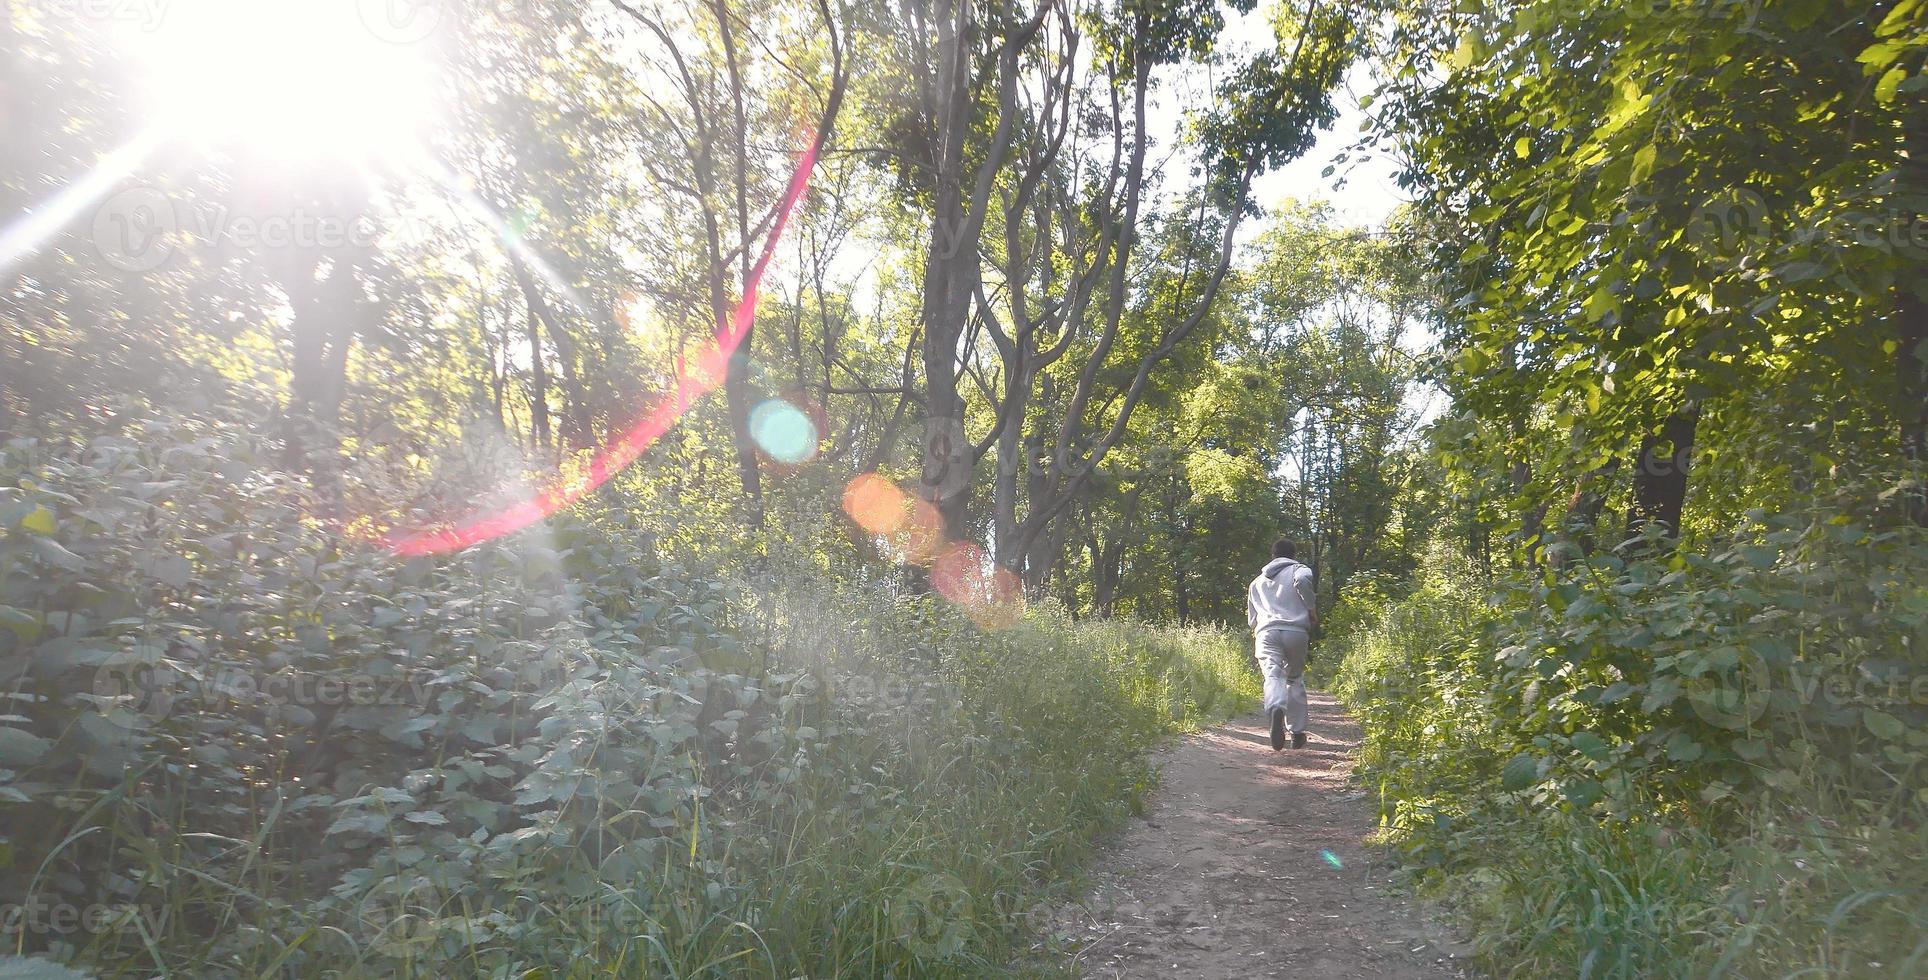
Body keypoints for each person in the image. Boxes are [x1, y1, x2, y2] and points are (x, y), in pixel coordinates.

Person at [1247, 537, 1316, 750]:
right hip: (1295, 631)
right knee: (1294, 678)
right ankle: (1297, 733)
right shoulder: (1299, 569)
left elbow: (1252, 619)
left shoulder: (1256, 582)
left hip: (1266, 631)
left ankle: (1276, 706)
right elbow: (1303, 582)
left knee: (1273, 675)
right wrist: (1311, 609)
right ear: (1293, 555)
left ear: (1273, 555)